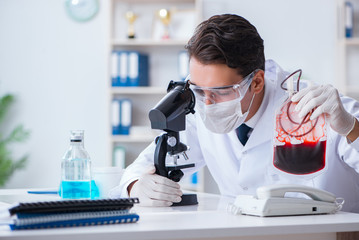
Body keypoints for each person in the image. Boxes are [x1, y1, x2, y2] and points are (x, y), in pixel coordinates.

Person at [110, 14, 359, 212]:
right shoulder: (200, 112)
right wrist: (136, 186)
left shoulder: (322, 109)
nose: (207, 103)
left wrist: (352, 128)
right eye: (198, 89)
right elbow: (136, 171)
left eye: (220, 91)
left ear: (257, 82)